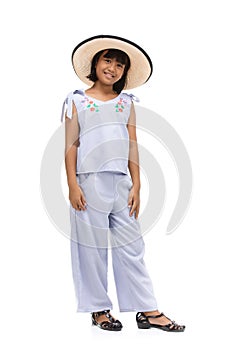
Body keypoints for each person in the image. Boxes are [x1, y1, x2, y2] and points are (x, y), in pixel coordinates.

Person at [61, 35, 185, 332]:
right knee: (91, 249)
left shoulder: (126, 103)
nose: (113, 68)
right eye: (107, 60)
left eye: (119, 64)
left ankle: (147, 310)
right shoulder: (76, 100)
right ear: (95, 63)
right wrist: (72, 185)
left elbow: (132, 144)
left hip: (121, 184)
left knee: (132, 246)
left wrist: (137, 186)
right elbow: (70, 145)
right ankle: (99, 309)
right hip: (88, 183)